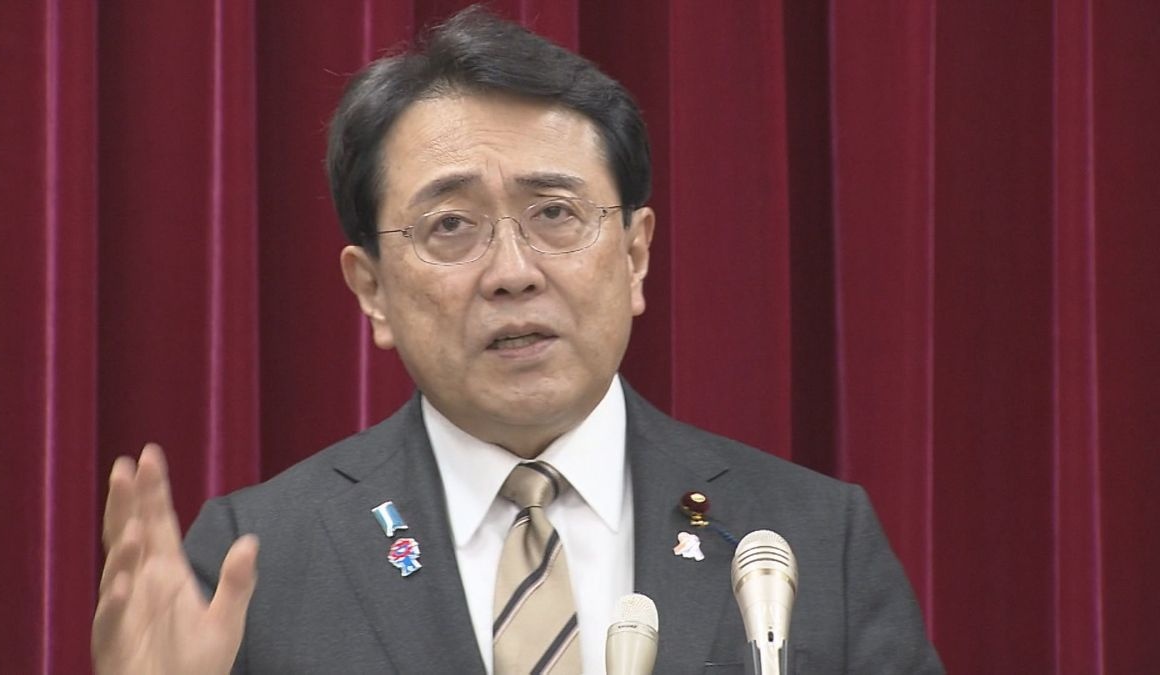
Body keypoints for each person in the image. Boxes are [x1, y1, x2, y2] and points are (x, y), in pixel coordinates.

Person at [92, 7, 944, 674]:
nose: (512, 272)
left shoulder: (812, 539)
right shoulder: (257, 560)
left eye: (555, 214)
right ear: (372, 290)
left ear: (635, 256)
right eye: (451, 225)